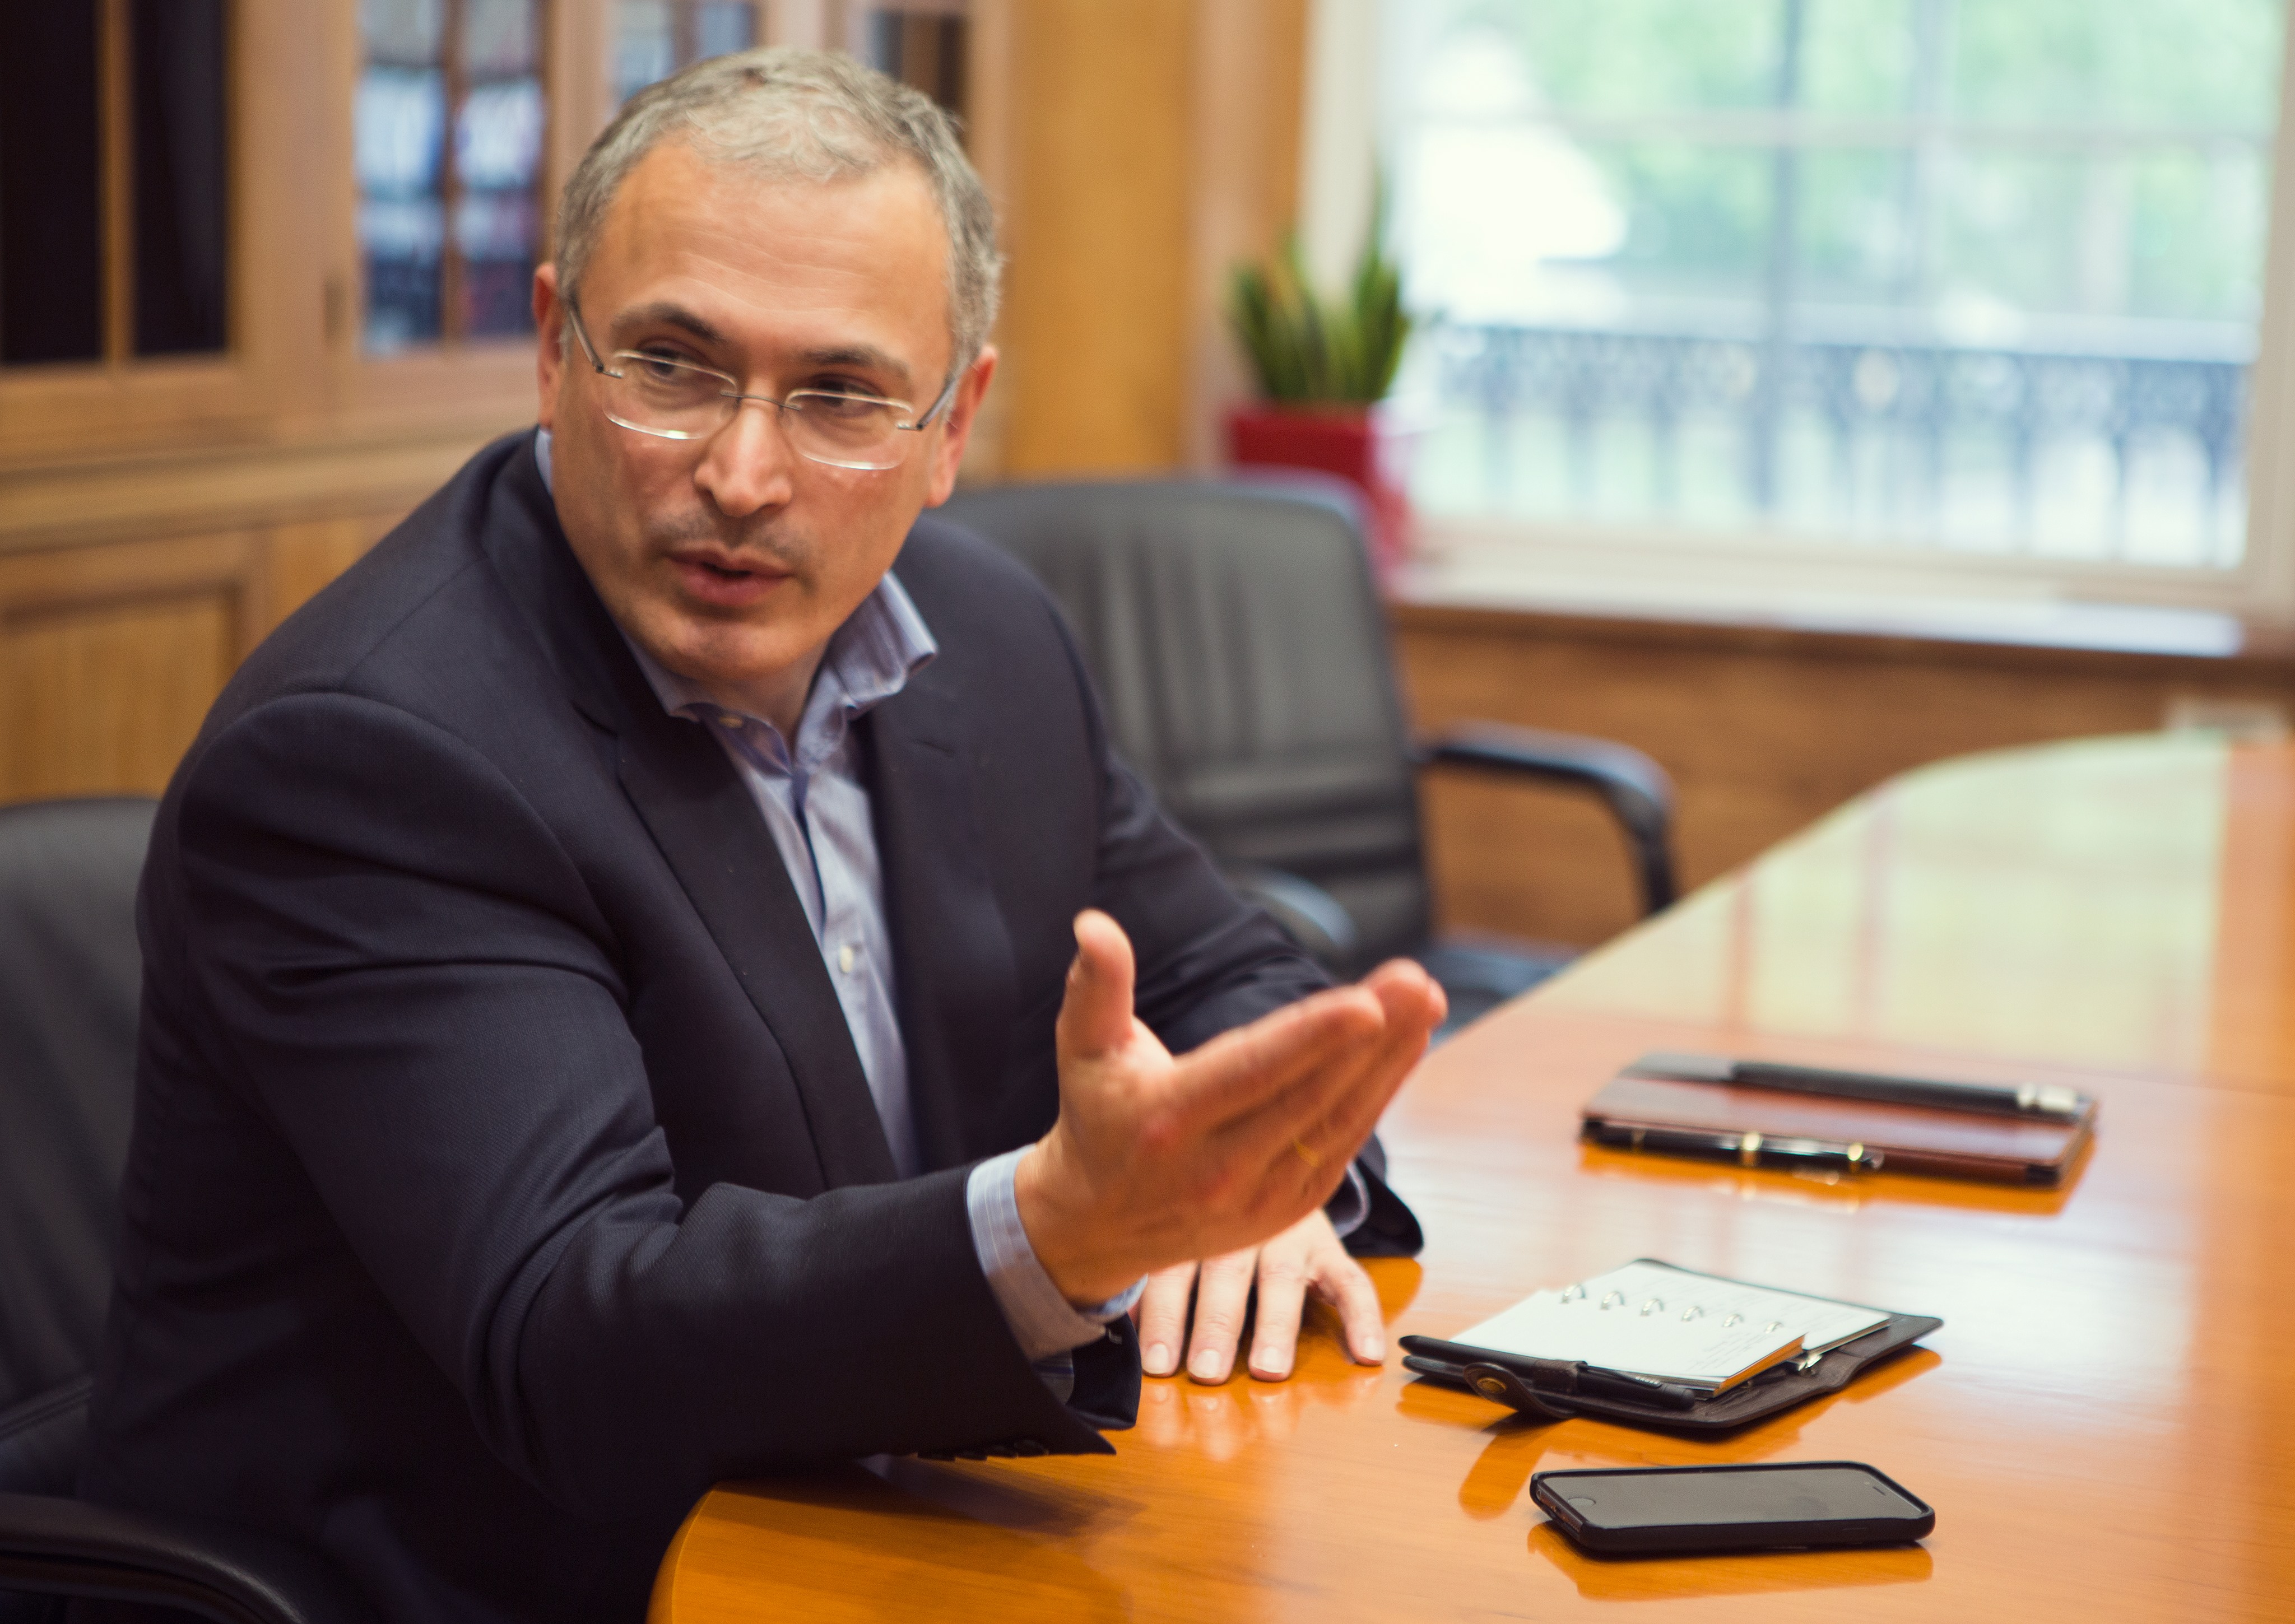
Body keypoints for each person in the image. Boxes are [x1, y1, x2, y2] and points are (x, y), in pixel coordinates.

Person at [80, 48, 1443, 1624]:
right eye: (672, 366)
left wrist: (1253, 1186)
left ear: (953, 425)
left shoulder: (988, 637)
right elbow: (574, 1332)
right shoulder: (375, 756)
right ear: (553, 351)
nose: (742, 474)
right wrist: (1067, 1230)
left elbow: (1225, 973)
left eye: (842, 397)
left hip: (869, 1520)